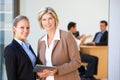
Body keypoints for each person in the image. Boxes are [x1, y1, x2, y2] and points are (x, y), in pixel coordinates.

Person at [37, 7, 81, 80]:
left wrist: (58, 69)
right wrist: (38, 73)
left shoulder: (67, 36)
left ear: (55, 19)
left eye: (50, 18)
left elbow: (76, 62)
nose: (47, 22)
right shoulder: (41, 41)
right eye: (44, 19)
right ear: (41, 22)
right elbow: (40, 64)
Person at [4, 15, 37, 80]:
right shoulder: (10, 49)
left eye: (28, 28)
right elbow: (11, 77)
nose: (26, 30)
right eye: (22, 27)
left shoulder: (28, 46)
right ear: (14, 29)